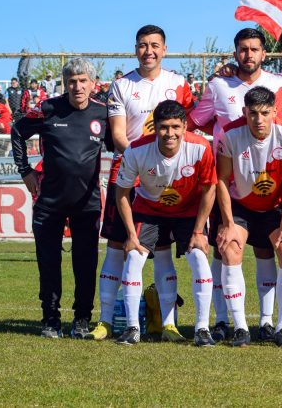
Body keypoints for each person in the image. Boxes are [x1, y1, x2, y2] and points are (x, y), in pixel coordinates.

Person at [88, 25, 195, 342]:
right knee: (117, 247)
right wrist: (144, 161)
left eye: (154, 45)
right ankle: (106, 321)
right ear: (135, 49)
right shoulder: (121, 85)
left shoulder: (178, 83)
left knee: (162, 248)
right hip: (128, 173)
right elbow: (119, 135)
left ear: (165, 49)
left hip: (166, 178)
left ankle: (169, 323)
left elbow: (185, 131)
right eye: (143, 45)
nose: (149, 51)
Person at [190, 28, 282, 343]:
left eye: (254, 49)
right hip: (230, 187)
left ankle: (268, 322)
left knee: (266, 250)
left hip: (268, 185)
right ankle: (225, 321)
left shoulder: (279, 84)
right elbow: (196, 121)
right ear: (235, 53)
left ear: (264, 53)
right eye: (243, 49)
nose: (248, 55)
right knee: (224, 249)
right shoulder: (218, 85)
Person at [12, 58, 111, 338]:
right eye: (72, 81)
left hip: (87, 203)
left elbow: (118, 145)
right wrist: (25, 170)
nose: (77, 86)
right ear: (65, 84)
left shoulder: (103, 113)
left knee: (85, 263)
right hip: (49, 203)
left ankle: (81, 319)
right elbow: (17, 130)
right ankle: (50, 319)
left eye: (82, 81)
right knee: (48, 263)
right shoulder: (48, 109)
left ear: (93, 84)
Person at [113, 100, 217, 346]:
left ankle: (202, 329)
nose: (170, 133)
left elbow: (209, 189)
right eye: (163, 127)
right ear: (155, 127)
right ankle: (132, 328)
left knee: (199, 257)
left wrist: (199, 231)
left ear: (184, 127)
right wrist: (131, 235)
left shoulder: (200, 147)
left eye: (175, 127)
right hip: (149, 210)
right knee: (134, 256)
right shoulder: (137, 149)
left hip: (188, 212)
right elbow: (122, 193)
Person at [214, 86, 282, 347]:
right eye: (253, 113)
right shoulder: (230, 134)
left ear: (275, 111)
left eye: (265, 113)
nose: (259, 119)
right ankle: (241, 328)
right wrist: (228, 223)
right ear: (245, 112)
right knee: (230, 250)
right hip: (241, 206)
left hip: (274, 207)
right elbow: (221, 179)